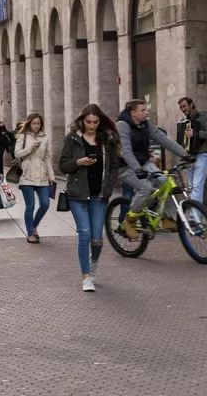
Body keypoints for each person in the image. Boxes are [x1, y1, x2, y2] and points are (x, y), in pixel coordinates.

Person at [59, 104, 120, 292]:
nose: (91, 126)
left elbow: (114, 166)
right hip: (77, 194)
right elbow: (62, 165)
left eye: (95, 122)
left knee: (97, 239)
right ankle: (86, 277)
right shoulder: (73, 138)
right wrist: (78, 162)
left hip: (99, 195)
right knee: (84, 233)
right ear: (82, 121)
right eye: (88, 122)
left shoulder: (106, 140)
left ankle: (94, 262)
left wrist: (108, 187)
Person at [116, 100, 188, 239]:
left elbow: (164, 140)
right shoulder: (122, 125)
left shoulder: (146, 124)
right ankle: (129, 220)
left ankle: (166, 217)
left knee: (165, 181)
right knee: (145, 187)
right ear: (133, 113)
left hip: (143, 161)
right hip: (124, 165)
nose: (146, 112)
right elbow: (126, 151)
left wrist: (184, 154)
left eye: (146, 109)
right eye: (142, 110)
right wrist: (137, 169)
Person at [14, 113, 56, 243]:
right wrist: (30, 148)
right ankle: (30, 233)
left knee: (45, 203)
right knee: (30, 206)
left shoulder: (45, 137)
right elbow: (17, 154)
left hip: (42, 175)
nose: (36, 126)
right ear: (29, 123)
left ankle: (34, 225)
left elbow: (47, 157)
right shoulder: (23, 136)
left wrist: (51, 175)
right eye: (34, 123)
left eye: (38, 123)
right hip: (27, 175)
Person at [178, 97, 207, 204]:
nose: (183, 109)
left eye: (184, 106)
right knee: (190, 186)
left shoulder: (203, 117)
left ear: (191, 104)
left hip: (202, 155)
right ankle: (193, 212)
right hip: (189, 157)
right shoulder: (184, 121)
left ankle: (194, 217)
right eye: (181, 107)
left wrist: (195, 134)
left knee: (197, 186)